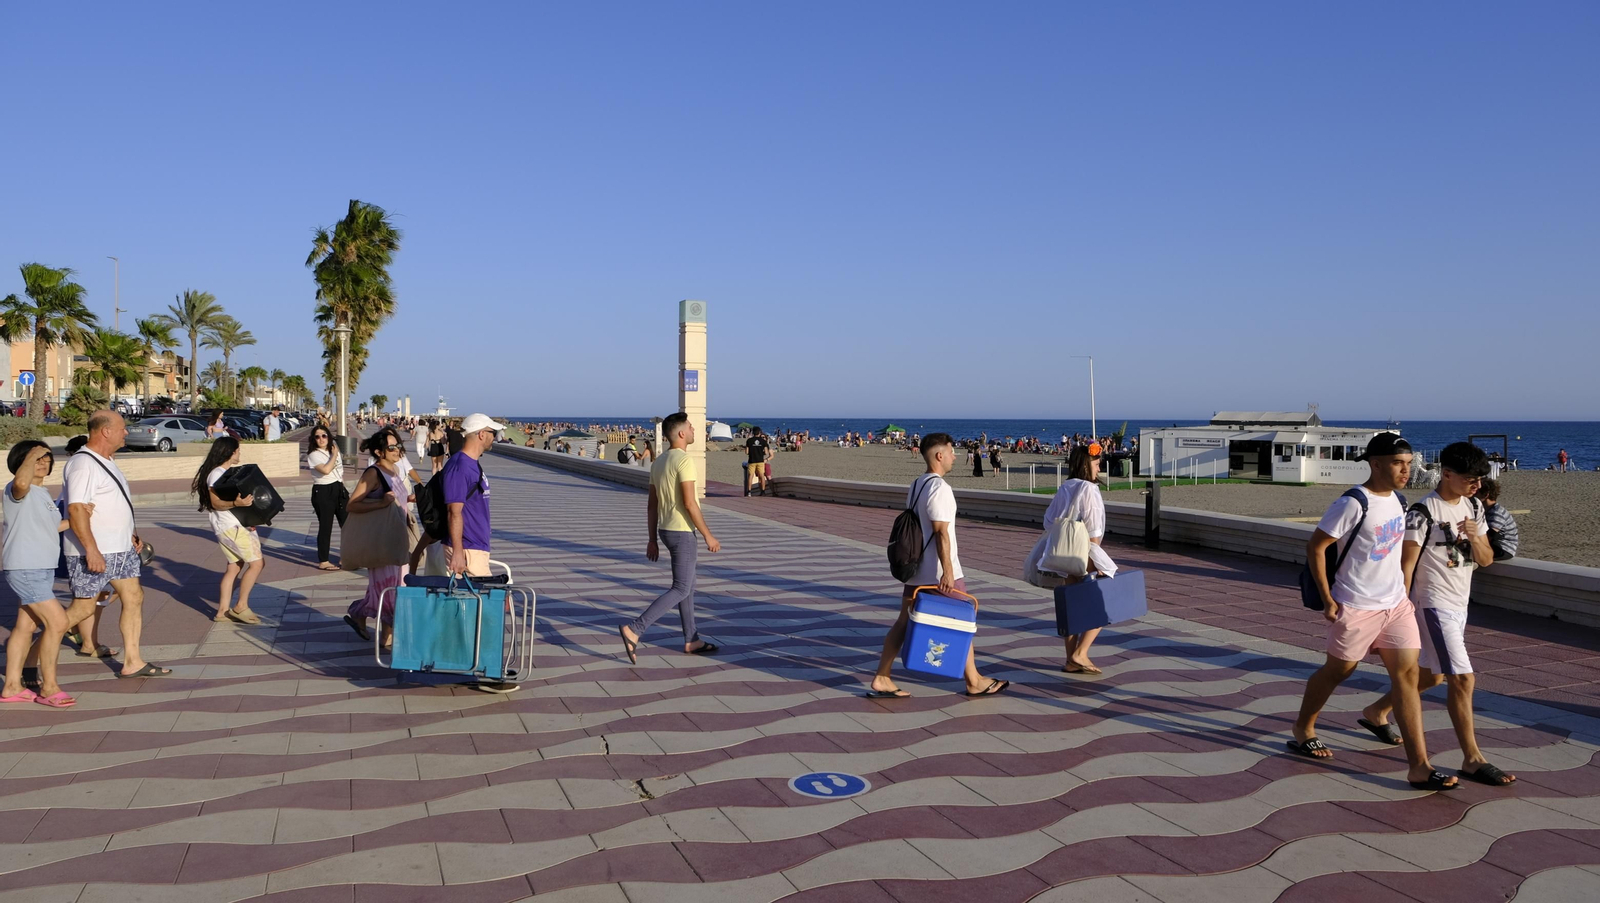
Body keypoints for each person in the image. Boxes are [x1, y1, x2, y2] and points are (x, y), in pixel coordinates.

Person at [1288, 433, 1456, 790]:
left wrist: (1406, 591)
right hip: (1356, 605)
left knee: (1408, 677)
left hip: (1395, 604)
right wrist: (1328, 598)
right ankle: (1304, 727)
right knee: (1339, 671)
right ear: (1375, 463)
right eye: (1398, 463)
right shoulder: (1353, 502)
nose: (1406, 471)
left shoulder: (1398, 499)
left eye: (1409, 464)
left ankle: (1419, 767)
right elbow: (1316, 547)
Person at [1359, 443, 1512, 786]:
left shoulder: (1474, 506)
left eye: (1480, 480)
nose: (1477, 486)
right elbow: (1406, 565)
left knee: (1431, 677)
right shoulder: (1422, 512)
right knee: (1462, 679)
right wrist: (1396, 609)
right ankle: (1472, 759)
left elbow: (1485, 560)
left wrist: (1475, 537)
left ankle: (1376, 712)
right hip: (1431, 604)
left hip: (1460, 604)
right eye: (1470, 479)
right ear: (1447, 474)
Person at [867, 433, 1008, 699]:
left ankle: (882, 676)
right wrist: (949, 571)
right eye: (952, 452)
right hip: (939, 573)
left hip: (917, 569)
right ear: (939, 455)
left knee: (902, 622)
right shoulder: (940, 488)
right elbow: (941, 531)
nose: (955, 456)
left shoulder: (917, 484)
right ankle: (974, 681)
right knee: (964, 619)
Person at [62, 411, 167, 678]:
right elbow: (76, 509)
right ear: (105, 431)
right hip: (95, 550)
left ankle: (133, 660)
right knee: (82, 608)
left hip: (120, 548)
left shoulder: (107, 461)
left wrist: (131, 533)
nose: (127, 433)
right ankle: (31, 650)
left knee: (134, 597)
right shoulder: (83, 464)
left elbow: (113, 504)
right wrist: (91, 550)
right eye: (122, 428)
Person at [618, 412, 721, 664]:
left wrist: (652, 539)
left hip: (665, 530)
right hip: (682, 531)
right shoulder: (684, 461)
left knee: (688, 588)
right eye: (691, 426)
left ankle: (692, 639)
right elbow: (689, 503)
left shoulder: (659, 461)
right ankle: (635, 628)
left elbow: (651, 505)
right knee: (681, 588)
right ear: (681, 433)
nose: (695, 429)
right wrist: (708, 535)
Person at [2, 441, 80, 706]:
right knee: (58, 623)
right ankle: (49, 687)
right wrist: (31, 455)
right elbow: (20, 485)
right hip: (26, 568)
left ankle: (12, 686)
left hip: (40, 567)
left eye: (46, 457)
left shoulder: (43, 494)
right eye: (36, 458)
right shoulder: (15, 490)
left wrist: (80, 519)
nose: (43, 462)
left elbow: (49, 527)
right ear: (21, 462)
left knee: (25, 626)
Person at [1037, 443, 1118, 674]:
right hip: (1085, 553)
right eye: (1096, 462)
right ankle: (1081, 653)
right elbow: (1094, 529)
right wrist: (1096, 559)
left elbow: (1048, 521)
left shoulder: (1065, 487)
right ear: (1086, 464)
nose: (1099, 466)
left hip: (1063, 555)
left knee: (1070, 606)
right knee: (1106, 601)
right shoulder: (1089, 489)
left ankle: (1070, 659)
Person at [343, 429, 416, 646]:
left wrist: (410, 498)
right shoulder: (373, 473)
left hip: (397, 537)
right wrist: (381, 503)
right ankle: (375, 626)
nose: (398, 451)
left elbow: (396, 501)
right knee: (387, 588)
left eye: (399, 446)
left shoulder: (394, 469)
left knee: (397, 586)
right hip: (382, 540)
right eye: (392, 447)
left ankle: (381, 631)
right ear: (379, 451)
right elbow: (352, 504)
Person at [192, 436, 264, 624]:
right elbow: (215, 503)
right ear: (230, 452)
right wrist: (236, 503)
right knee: (257, 564)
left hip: (232, 525)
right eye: (238, 450)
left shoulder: (222, 472)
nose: (239, 453)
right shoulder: (217, 474)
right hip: (232, 527)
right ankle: (241, 605)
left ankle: (222, 611)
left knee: (234, 566)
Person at [441, 413, 501, 578]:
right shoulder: (461, 466)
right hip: (468, 547)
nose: (494, 438)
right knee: (484, 601)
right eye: (492, 433)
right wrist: (458, 551)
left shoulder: (471, 463)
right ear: (482, 434)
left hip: (475, 546)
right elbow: (454, 511)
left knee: (472, 601)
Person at [308, 426, 347, 570]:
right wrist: (335, 455)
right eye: (317, 437)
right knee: (326, 526)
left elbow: (339, 471)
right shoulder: (314, 455)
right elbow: (325, 470)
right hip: (323, 490)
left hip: (339, 488)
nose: (321, 439)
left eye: (324, 435)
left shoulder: (334, 449)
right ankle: (323, 560)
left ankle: (346, 557)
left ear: (328, 436)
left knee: (348, 524)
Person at [1476, 478, 1520, 560]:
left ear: (1486, 495)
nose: (1473, 494)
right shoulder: (1485, 510)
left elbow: (1490, 535)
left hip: (1504, 548)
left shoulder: (1497, 512)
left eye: (1477, 492)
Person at [745, 427, 771, 495]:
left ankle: (749, 491)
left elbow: (746, 452)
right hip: (760, 460)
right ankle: (763, 491)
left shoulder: (749, 441)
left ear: (753, 432)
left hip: (752, 460)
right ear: (759, 433)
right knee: (762, 475)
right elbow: (766, 452)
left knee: (751, 475)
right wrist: (760, 452)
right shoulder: (763, 441)